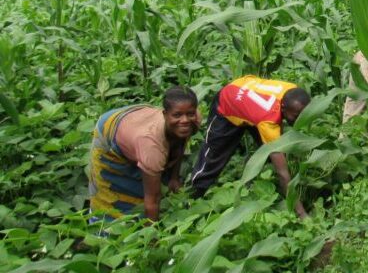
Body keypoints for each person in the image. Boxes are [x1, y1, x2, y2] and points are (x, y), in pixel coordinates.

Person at [188, 75, 311, 218]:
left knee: (274, 155)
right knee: (212, 159)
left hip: (248, 98)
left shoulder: (292, 90)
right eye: (295, 116)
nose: (299, 120)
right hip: (228, 104)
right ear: (283, 107)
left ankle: (260, 182)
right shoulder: (268, 122)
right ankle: (191, 200)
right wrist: (302, 213)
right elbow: (282, 173)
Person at [88, 86, 200, 221]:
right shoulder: (151, 145)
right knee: (113, 201)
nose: (185, 120)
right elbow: (152, 201)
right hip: (110, 128)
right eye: (177, 115)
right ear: (165, 114)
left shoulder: (193, 120)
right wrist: (152, 232)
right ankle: (101, 225)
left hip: (139, 120)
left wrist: (174, 178)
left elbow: (181, 141)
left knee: (155, 177)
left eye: (190, 114)